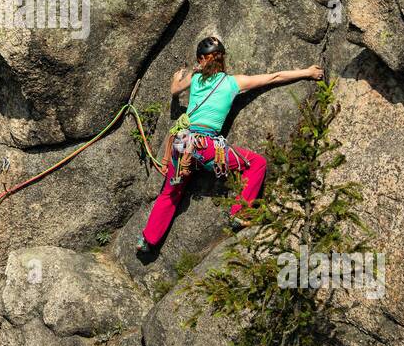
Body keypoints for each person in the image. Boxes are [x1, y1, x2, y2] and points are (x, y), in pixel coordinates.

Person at [137, 36, 323, 256]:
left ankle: (147, 240)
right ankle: (239, 212)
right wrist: (308, 72)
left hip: (183, 144)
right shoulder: (234, 82)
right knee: (257, 163)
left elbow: (174, 90)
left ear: (201, 60)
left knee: (170, 193)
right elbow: (275, 76)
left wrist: (177, 78)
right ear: (222, 59)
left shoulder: (195, 78)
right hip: (206, 148)